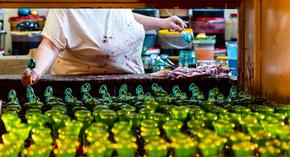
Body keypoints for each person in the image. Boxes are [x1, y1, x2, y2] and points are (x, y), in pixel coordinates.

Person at [22, 9, 186, 87]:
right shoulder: (65, 8)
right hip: (84, 90)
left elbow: (125, 18)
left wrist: (162, 23)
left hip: (130, 82)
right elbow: (50, 45)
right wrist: (36, 71)